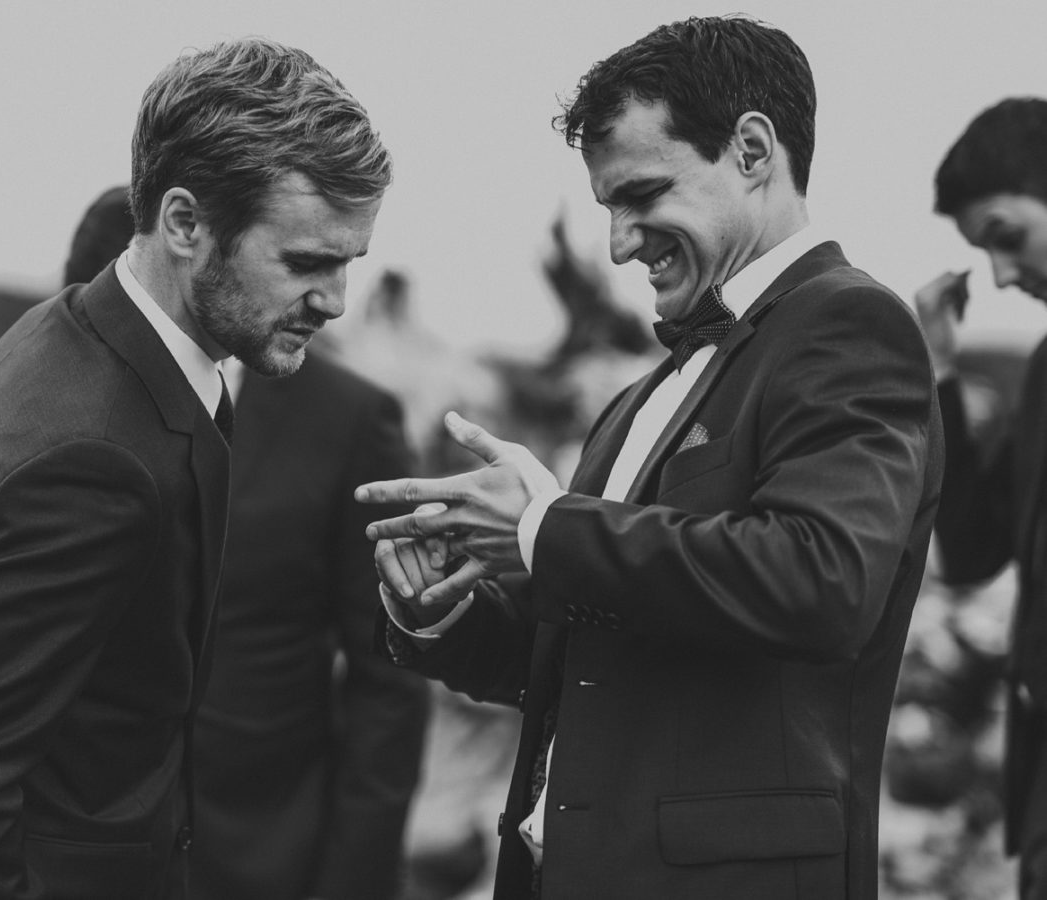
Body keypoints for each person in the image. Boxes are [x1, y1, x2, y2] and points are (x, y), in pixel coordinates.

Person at [356, 16, 943, 900]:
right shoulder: (642, 396)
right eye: (607, 209)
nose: (619, 243)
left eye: (641, 195)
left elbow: (821, 581)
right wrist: (438, 611)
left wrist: (542, 528)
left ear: (751, 150)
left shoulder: (849, 326)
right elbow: (583, 669)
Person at [0, 37, 389, 900]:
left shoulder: (74, 330)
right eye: (306, 262)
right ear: (186, 224)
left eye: (349, 262)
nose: (334, 301)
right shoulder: (98, 461)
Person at [61, 186, 429, 900]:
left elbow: (387, 683)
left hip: (263, 858)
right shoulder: (59, 411)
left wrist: (352, 882)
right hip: (77, 854)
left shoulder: (348, 419)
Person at [913, 96, 1047, 900]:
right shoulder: (1041, 379)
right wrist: (936, 370)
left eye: (1008, 237)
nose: (999, 274)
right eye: (983, 252)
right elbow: (969, 549)